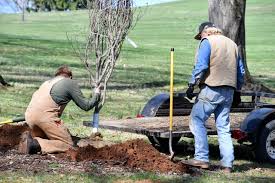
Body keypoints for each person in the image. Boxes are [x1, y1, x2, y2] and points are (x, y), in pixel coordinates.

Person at [183, 22, 245, 173]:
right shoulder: (232, 44)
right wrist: (237, 90)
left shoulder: (207, 41)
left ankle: (201, 158)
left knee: (197, 120)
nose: (200, 39)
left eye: (200, 36)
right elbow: (240, 72)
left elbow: (202, 65)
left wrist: (192, 84)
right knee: (223, 128)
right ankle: (227, 165)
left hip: (211, 88)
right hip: (229, 91)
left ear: (205, 32)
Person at [18, 65, 101, 154]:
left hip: (29, 116)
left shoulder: (47, 83)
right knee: (68, 145)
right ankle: (34, 144)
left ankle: (30, 140)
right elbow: (86, 106)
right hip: (45, 118)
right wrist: (97, 95)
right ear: (70, 77)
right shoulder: (69, 82)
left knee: (48, 138)